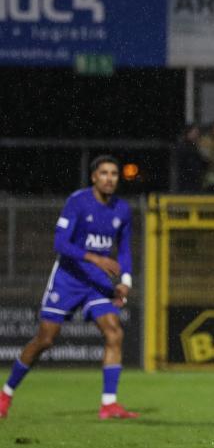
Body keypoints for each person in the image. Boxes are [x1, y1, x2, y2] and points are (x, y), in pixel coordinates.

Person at [0, 156, 138, 420]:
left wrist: (126, 281)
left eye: (114, 174)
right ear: (94, 177)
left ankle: (109, 404)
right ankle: (5, 393)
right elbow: (60, 244)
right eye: (104, 173)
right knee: (45, 339)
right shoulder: (78, 201)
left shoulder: (122, 209)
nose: (110, 178)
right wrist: (96, 258)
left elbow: (125, 249)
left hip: (96, 283)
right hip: (69, 278)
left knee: (114, 332)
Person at [174, 124, 204, 192]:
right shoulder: (183, 146)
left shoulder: (196, 146)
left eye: (197, 133)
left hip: (195, 180)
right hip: (186, 180)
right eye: (195, 133)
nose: (196, 135)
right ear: (188, 133)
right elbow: (184, 162)